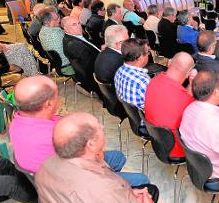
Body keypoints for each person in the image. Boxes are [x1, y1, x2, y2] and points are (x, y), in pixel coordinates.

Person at [36, 112, 198, 203]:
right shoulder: (101, 189)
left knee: (151, 190)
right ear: (90, 145)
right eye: (99, 127)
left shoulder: (45, 166)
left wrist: (126, 194)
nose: (102, 126)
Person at [9, 75, 149, 184]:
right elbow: (91, 158)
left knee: (118, 157)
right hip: (72, 182)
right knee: (142, 180)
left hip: (55, 173)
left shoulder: (17, 121)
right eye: (57, 95)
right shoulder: (56, 137)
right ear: (48, 104)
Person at [144, 53, 196, 159]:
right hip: (177, 150)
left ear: (170, 62)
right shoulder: (187, 102)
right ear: (188, 74)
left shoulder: (153, 81)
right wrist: (191, 84)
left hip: (157, 142)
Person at [62, 16, 101, 95]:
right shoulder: (73, 45)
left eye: (79, 23)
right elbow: (90, 67)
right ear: (65, 29)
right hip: (94, 77)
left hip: (98, 60)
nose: (79, 26)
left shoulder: (75, 36)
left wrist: (101, 48)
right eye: (74, 24)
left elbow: (89, 46)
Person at [114, 38, 152, 109]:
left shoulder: (119, 71)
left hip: (132, 114)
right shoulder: (144, 82)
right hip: (146, 117)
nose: (148, 55)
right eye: (148, 52)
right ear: (140, 57)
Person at [39, 11, 74, 75]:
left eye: (58, 17)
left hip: (57, 64)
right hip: (67, 65)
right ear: (48, 22)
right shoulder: (57, 33)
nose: (59, 20)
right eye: (56, 19)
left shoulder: (41, 31)